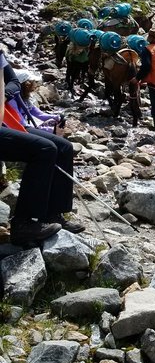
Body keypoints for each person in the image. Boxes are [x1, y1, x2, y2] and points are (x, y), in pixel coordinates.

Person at [0, 50, 84, 244]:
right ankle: (23, 224)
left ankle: (52, 213)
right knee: (44, 149)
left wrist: (5, 94)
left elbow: (13, 81)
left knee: (63, 147)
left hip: (5, 122)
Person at [9, 69, 64, 134]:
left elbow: (39, 114)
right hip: (15, 131)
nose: (36, 84)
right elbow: (21, 124)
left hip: (22, 129)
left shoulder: (24, 98)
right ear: (26, 84)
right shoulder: (11, 101)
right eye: (34, 82)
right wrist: (50, 130)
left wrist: (56, 118)